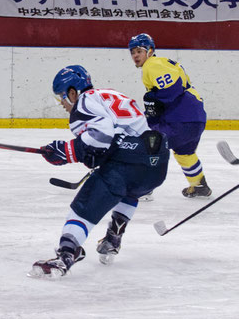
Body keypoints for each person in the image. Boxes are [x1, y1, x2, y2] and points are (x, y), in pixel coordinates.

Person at [30, 66, 169, 278]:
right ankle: (113, 238)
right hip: (157, 164)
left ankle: (66, 255)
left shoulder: (83, 102)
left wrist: (67, 151)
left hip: (127, 163)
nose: (62, 104)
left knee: (83, 208)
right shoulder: (109, 95)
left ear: (73, 92)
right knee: (129, 191)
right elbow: (119, 136)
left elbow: (101, 135)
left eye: (62, 97)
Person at [129, 33, 211, 198]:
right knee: (184, 152)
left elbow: (172, 89)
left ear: (150, 51)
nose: (135, 55)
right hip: (195, 118)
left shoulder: (152, 65)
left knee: (146, 144)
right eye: (132, 52)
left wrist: (153, 102)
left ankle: (144, 189)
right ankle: (199, 185)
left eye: (139, 51)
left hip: (180, 119)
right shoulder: (161, 62)